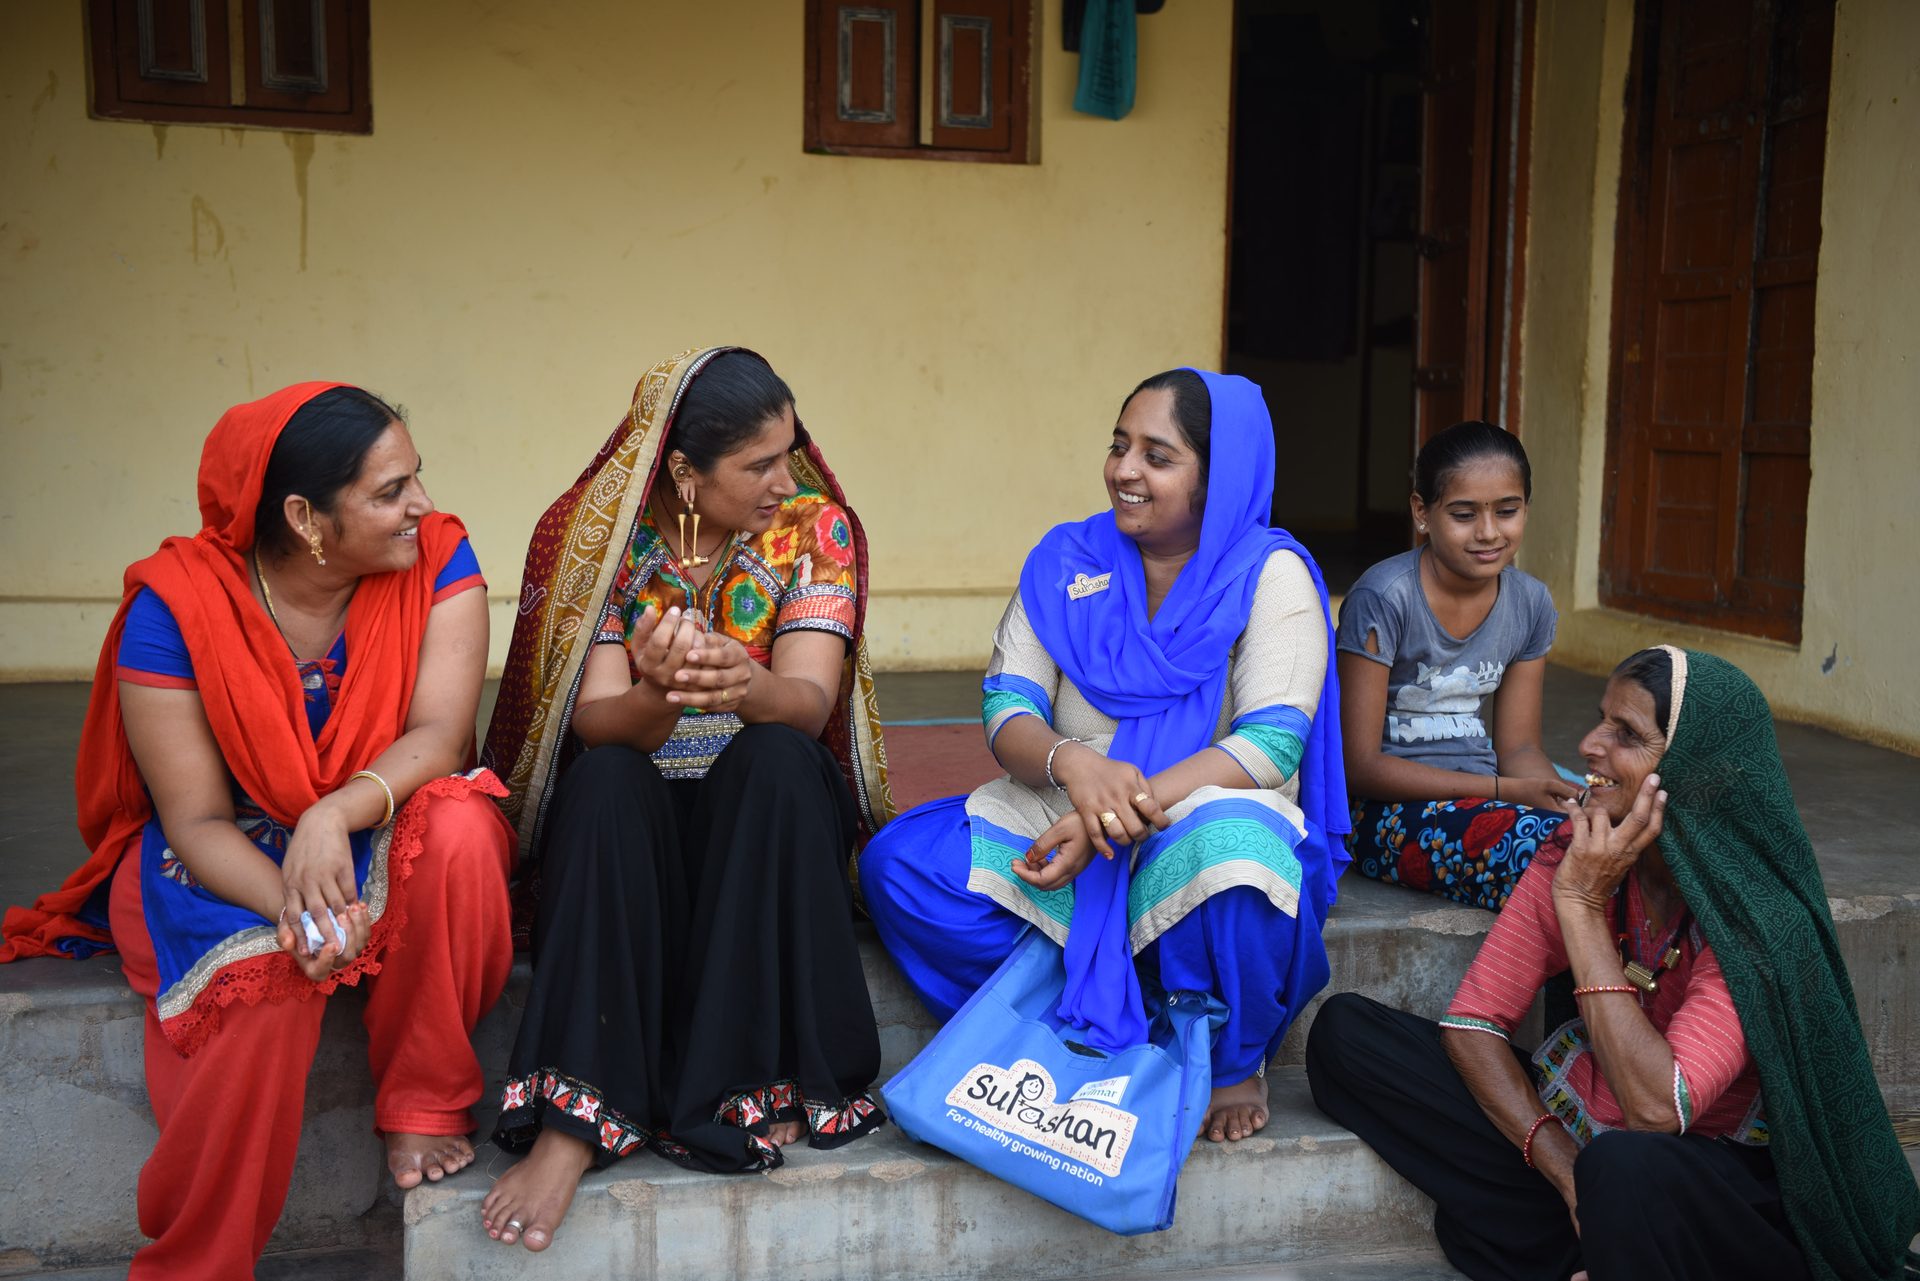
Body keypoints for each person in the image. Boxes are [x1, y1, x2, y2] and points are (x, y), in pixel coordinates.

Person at [0, 383, 516, 1281]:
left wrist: (330, 812)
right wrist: (302, 908)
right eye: (391, 491)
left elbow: (439, 738)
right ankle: (197, 1263)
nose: (422, 506)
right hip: (220, 852)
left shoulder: (437, 557)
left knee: (465, 826)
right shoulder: (177, 609)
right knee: (265, 980)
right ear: (306, 518)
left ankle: (425, 1101)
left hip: (365, 814)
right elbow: (193, 817)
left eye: (417, 478)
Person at [1306, 646, 1920, 1281]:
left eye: (1626, 735)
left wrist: (1579, 904)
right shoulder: (1580, 844)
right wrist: (1569, 1176)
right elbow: (1474, 1026)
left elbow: (1659, 1109)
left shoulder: (1755, 914)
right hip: (1584, 1149)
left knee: (1624, 1169)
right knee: (1347, 1037)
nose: (1590, 745)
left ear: (1691, 770)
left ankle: (1595, 1242)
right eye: (1602, 719)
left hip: (1703, 1180)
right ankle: (1598, 1243)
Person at [860, 368, 1348, 1146]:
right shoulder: (1064, 560)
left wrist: (1114, 813)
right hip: (1061, 804)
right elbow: (1007, 707)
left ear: (1218, 478)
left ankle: (1226, 1058)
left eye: (1159, 455)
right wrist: (1073, 768)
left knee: (1242, 853)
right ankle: (1116, 1006)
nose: (1125, 469)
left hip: (1192, 814)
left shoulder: (1269, 573)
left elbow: (1269, 743)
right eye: (1120, 446)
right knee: (902, 867)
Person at [478, 347, 893, 1252]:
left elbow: (810, 702)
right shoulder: (606, 542)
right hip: (643, 820)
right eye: (759, 464)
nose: (787, 479)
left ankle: (751, 1084)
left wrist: (737, 681)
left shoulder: (816, 531)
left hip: (763, 820)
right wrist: (661, 692)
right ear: (681, 471)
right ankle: (570, 1121)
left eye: (790, 452)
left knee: (777, 763)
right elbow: (593, 723)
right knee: (608, 782)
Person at [1337, 421, 1577, 909]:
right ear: (1422, 512)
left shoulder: (1530, 603)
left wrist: (1553, 795)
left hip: (1488, 797)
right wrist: (1503, 789)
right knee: (1548, 857)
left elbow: (1521, 746)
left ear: (1526, 509)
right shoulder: (1385, 597)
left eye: (1507, 511)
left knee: (1597, 838)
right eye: (1464, 514)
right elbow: (1357, 767)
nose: (1489, 533)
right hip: (1381, 814)